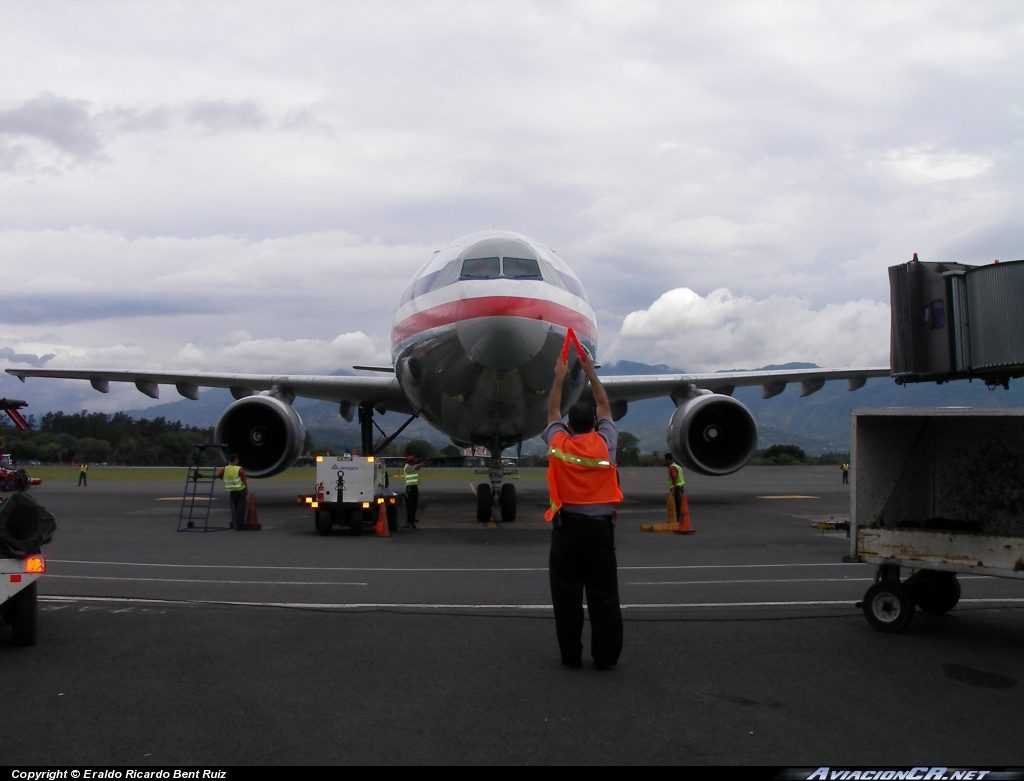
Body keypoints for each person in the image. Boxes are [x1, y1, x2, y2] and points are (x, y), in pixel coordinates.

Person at [543, 347, 623, 670]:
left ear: (569, 426)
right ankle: (605, 658)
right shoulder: (606, 442)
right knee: (604, 596)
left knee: (567, 599)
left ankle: (571, 656)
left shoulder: (559, 445)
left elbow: (551, 413)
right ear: (594, 422)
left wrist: (559, 378)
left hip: (567, 531)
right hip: (601, 531)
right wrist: (590, 373)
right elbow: (604, 405)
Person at [216, 454, 248, 530]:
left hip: (232, 491)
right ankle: (240, 525)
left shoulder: (225, 469)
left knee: (236, 507)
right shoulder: (239, 469)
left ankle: (237, 524)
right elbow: (244, 480)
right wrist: (246, 489)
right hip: (240, 490)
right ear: (236, 460)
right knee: (241, 508)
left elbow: (219, 475)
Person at [403, 455, 429, 528]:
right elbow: (417, 466)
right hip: (410, 488)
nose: (414, 463)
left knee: (414, 504)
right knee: (411, 504)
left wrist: (426, 463)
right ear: (410, 462)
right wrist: (423, 463)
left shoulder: (411, 466)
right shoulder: (407, 467)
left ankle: (412, 518)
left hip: (414, 487)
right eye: (413, 462)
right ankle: (409, 519)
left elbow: (419, 467)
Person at [664, 453, 685, 521]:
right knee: (678, 504)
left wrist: (673, 490)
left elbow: (675, 479)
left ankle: (676, 520)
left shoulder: (672, 468)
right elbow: (681, 478)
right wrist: (682, 489)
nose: (665, 462)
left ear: (667, 460)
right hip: (679, 487)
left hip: (675, 488)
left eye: (665, 460)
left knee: (675, 505)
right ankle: (678, 519)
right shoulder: (677, 466)